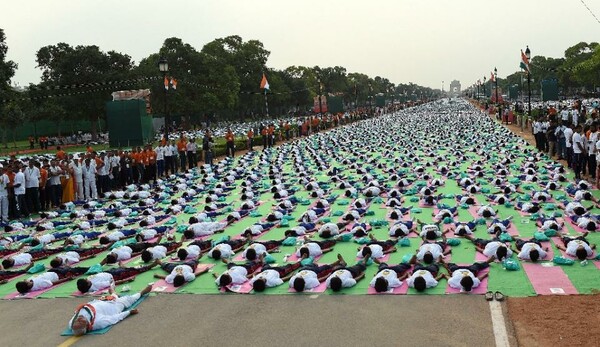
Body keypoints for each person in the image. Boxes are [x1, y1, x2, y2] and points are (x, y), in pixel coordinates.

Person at [67, 285, 152, 336]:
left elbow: (76, 317)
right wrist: (129, 312)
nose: (79, 318)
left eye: (77, 321)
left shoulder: (71, 323)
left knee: (110, 297)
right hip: (113, 306)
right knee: (129, 299)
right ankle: (141, 293)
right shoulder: (98, 323)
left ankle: (113, 293)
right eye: (81, 321)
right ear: (87, 326)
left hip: (97, 302)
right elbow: (115, 318)